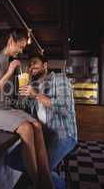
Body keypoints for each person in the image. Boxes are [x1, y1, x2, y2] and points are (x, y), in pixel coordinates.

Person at [0, 30, 54, 189]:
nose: (21, 51)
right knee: (26, 128)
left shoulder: (12, 63)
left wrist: (24, 88)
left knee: (37, 126)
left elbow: (16, 98)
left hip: (6, 108)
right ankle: (38, 183)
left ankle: (46, 179)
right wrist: (9, 72)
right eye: (19, 47)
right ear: (10, 40)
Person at [18, 55, 78, 189]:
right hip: (44, 137)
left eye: (35, 63)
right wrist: (22, 97)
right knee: (13, 160)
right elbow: (25, 111)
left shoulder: (60, 79)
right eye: (29, 64)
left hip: (63, 134)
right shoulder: (32, 86)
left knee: (41, 169)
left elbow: (64, 109)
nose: (31, 66)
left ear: (45, 65)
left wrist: (36, 95)